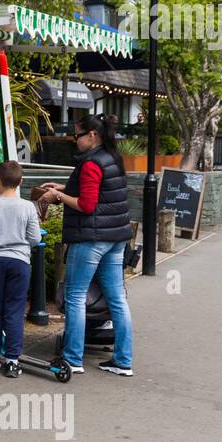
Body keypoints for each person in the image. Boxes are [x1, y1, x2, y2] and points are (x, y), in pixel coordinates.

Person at [42, 114, 135, 376]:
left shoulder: (92, 163)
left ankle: (72, 358)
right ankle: (123, 360)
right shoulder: (112, 158)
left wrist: (57, 195)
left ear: (92, 135)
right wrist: (64, 186)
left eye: (77, 135)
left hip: (90, 239)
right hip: (115, 239)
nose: (74, 140)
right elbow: (95, 192)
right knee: (117, 299)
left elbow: (86, 204)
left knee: (75, 296)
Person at [0, 160, 41, 378]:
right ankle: (12, 360)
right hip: (19, 263)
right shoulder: (28, 207)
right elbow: (35, 238)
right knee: (14, 311)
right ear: (20, 181)